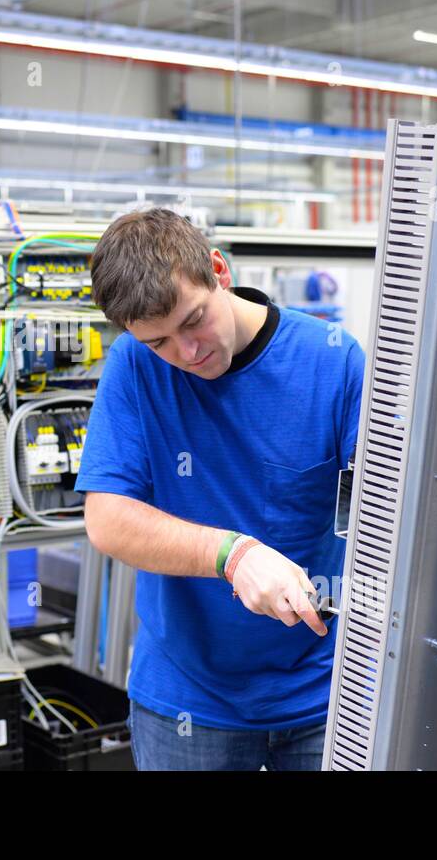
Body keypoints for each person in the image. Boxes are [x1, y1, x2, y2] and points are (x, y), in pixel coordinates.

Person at [74, 207, 365, 771]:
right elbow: (107, 519)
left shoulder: (331, 360)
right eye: (160, 342)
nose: (187, 353)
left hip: (322, 696)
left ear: (218, 270)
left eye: (193, 320)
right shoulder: (133, 367)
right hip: (187, 705)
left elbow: (386, 509)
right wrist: (233, 555)